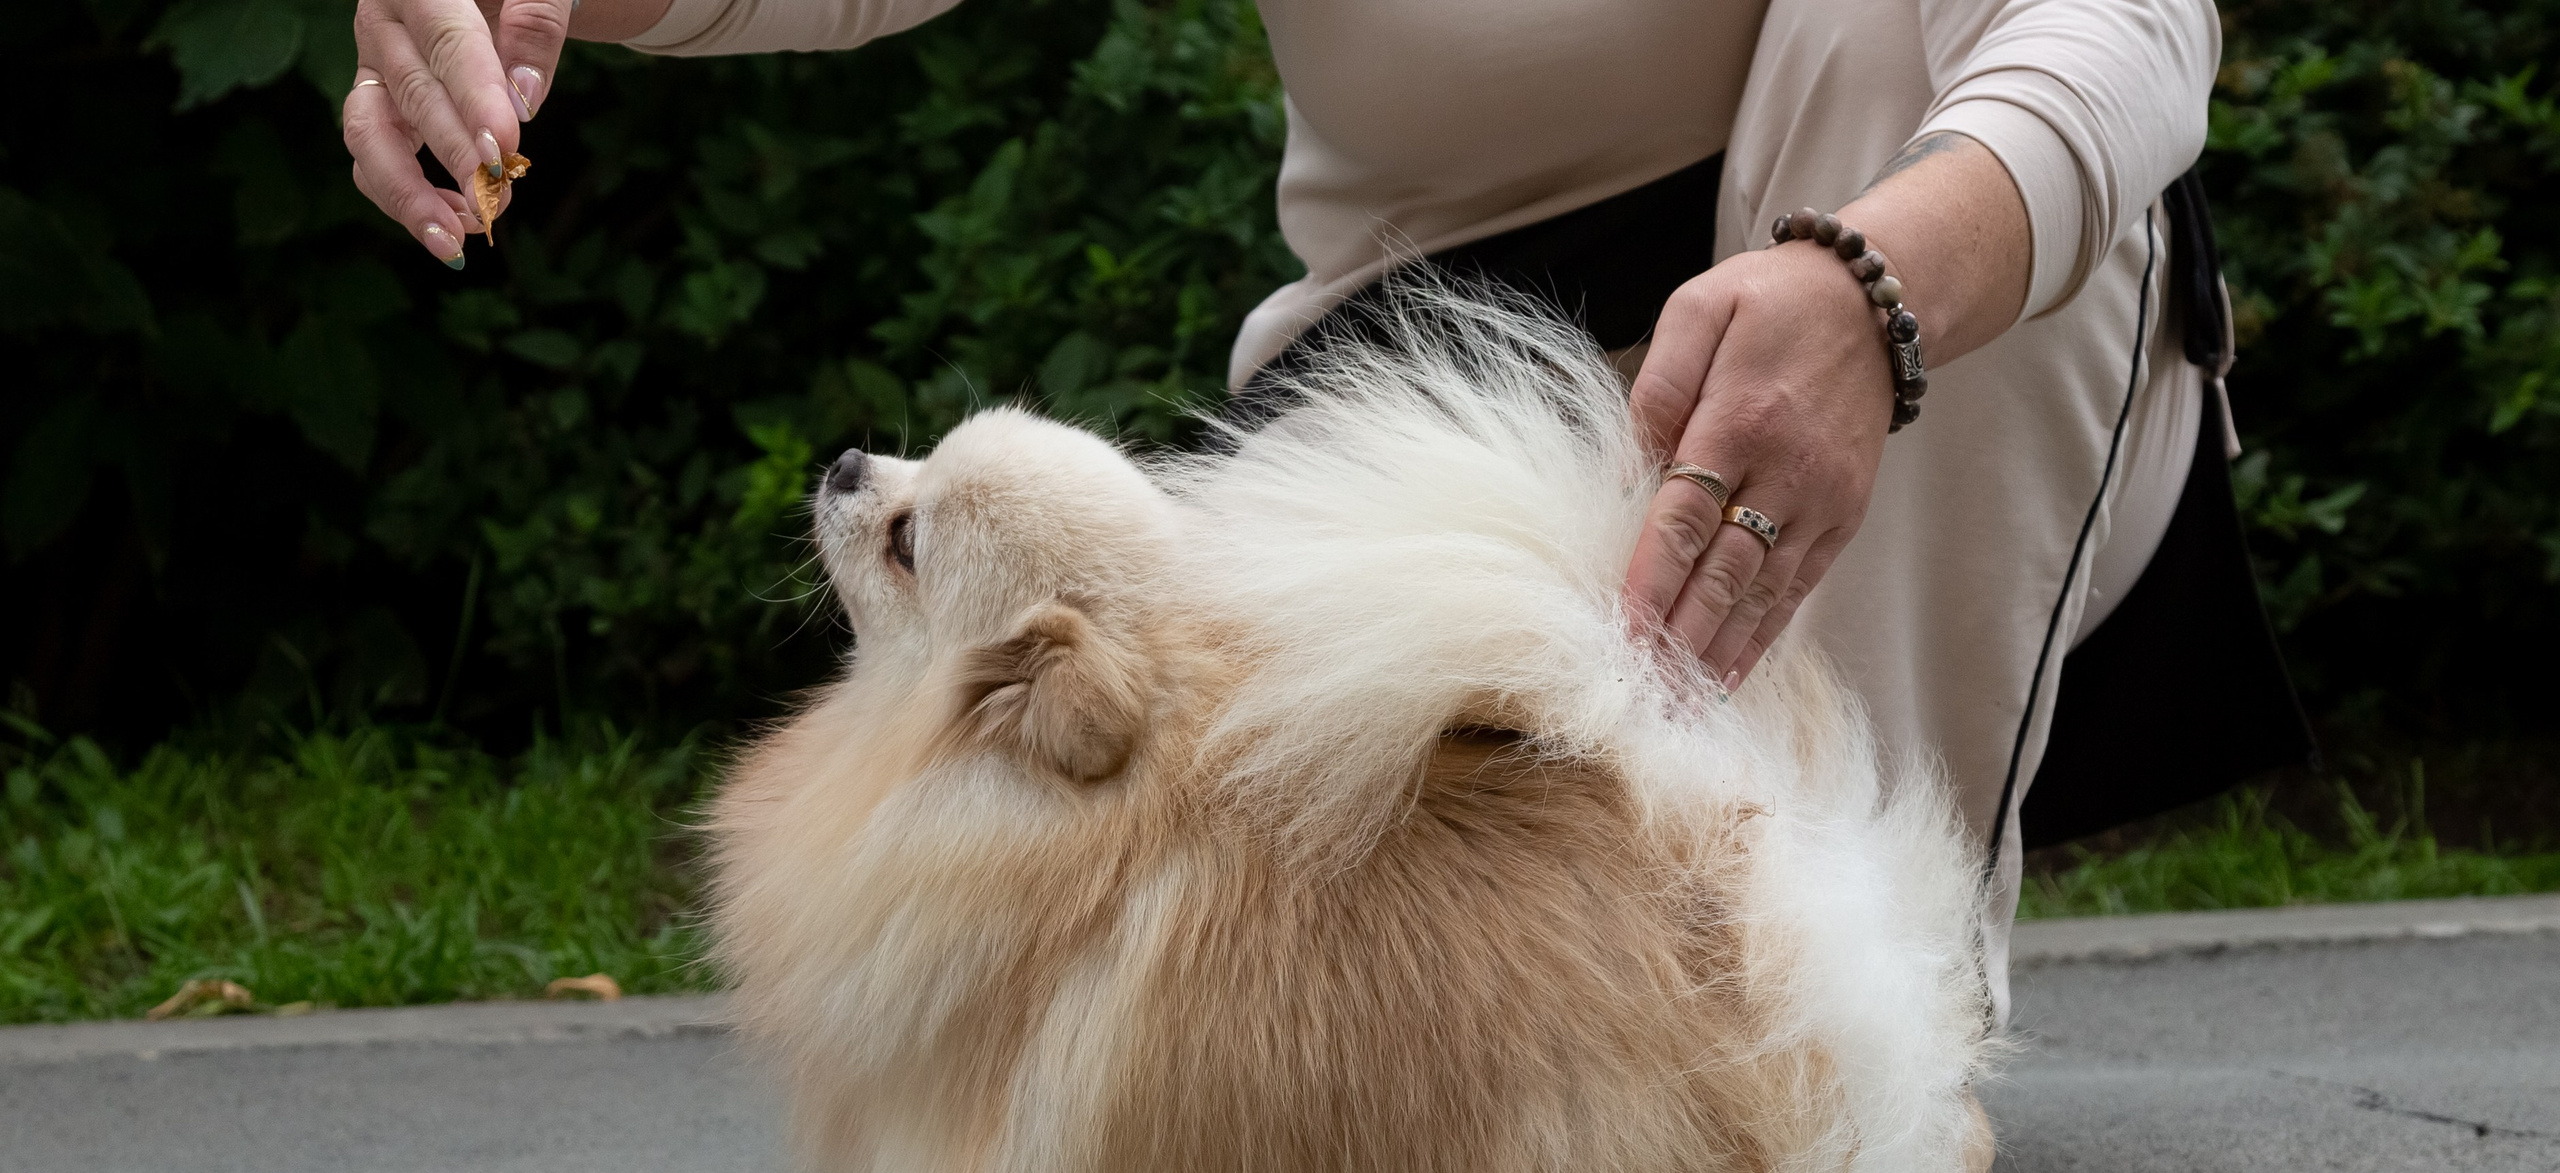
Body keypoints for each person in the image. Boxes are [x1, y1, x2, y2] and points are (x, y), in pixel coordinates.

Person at [341, 0, 2310, 1018]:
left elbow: (2132, 22)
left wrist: (1868, 293)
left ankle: (1874, 1002)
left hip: (1946, 368)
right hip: (1449, 358)